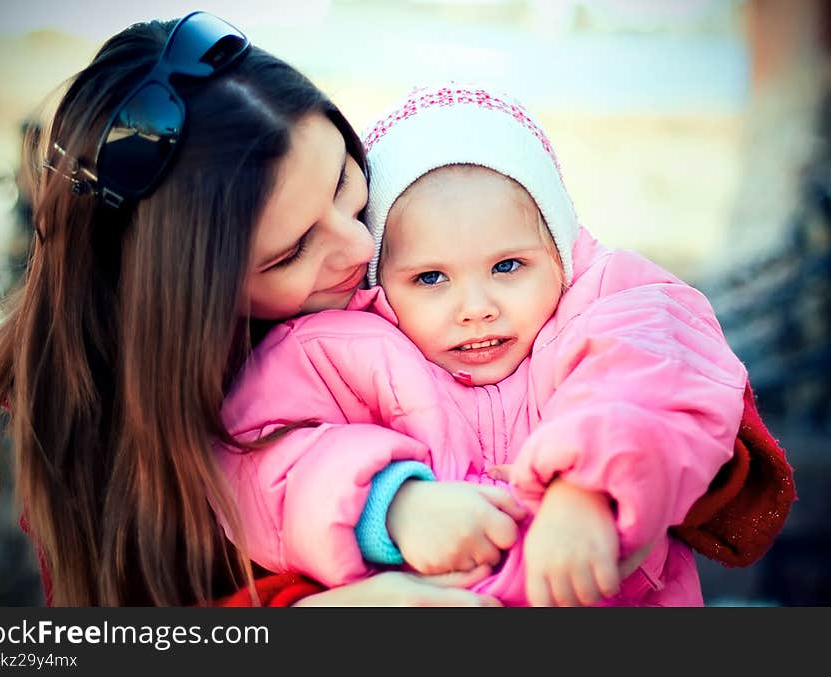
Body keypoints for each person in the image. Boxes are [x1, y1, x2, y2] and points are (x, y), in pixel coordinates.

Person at [0, 12, 505, 607]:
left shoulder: (417, 218)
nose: (358, 245)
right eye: (292, 251)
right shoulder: (91, 422)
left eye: (343, 182)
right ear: (192, 296)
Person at [218, 82, 794, 606]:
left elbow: (651, 386)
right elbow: (255, 459)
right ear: (379, 278)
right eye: (430, 279)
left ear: (561, 249)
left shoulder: (612, 308)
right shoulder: (333, 351)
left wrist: (588, 489)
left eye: (509, 265)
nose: (476, 307)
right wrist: (388, 507)